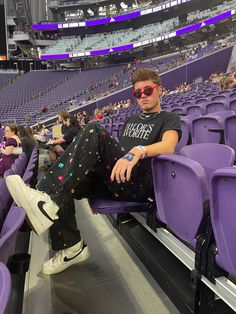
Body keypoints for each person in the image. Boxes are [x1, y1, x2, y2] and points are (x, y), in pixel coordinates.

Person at [6, 68, 182, 275]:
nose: (142, 96)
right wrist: (95, 184)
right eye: (137, 93)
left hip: (140, 183)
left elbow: (169, 145)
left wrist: (139, 150)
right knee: (63, 181)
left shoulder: (168, 118)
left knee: (93, 129)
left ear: (159, 90)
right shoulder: (130, 121)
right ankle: (71, 247)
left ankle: (43, 201)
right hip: (117, 178)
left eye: (147, 90)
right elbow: (114, 157)